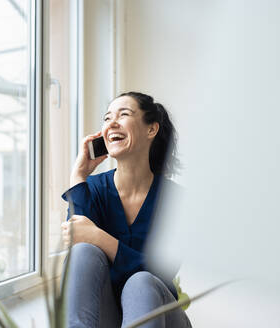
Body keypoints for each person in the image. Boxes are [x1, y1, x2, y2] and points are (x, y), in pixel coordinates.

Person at [61, 91, 192, 328]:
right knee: (83, 252)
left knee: (141, 282)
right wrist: (78, 175)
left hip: (162, 316)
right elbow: (81, 245)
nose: (112, 123)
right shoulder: (92, 190)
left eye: (124, 114)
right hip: (107, 317)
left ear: (151, 129)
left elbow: (161, 272)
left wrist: (100, 237)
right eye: (107, 117)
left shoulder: (176, 201)